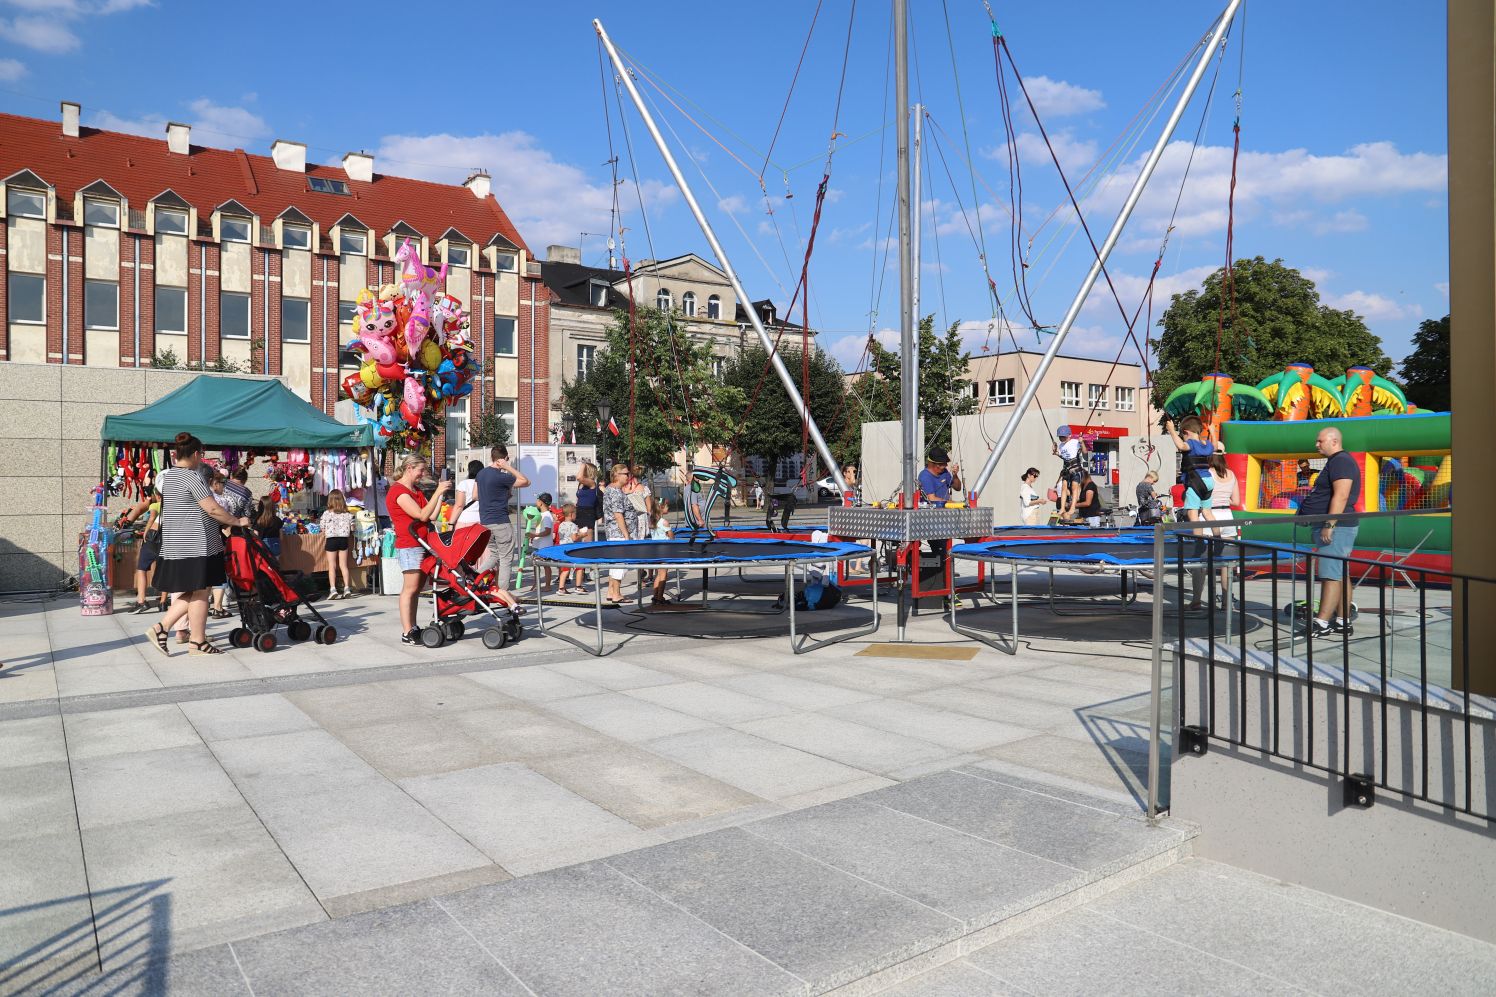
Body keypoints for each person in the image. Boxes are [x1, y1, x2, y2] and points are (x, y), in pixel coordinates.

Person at [144, 433, 250, 657]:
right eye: (201, 455)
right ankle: (197, 642)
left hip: (176, 544)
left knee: (193, 590)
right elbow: (211, 508)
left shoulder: (168, 477)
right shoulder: (192, 477)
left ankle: (163, 629)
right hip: (198, 544)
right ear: (195, 454)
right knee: (202, 591)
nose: (201, 459)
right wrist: (237, 521)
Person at [1298, 426, 1361, 638]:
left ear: (1333, 441)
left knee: (1330, 574)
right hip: (1335, 526)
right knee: (1340, 573)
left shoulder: (1341, 461)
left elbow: (1341, 495)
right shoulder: (1336, 462)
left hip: (1337, 527)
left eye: (1320, 441)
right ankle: (1342, 621)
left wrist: (1329, 524)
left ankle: (1322, 622)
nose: (1316, 445)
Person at [385, 454, 451, 644]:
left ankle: (412, 627)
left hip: (422, 544)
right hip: (410, 545)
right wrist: (437, 492)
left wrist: (441, 495)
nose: (422, 474)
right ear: (409, 469)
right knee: (410, 589)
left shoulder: (414, 490)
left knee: (416, 589)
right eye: (420, 470)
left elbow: (431, 516)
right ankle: (407, 631)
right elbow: (421, 515)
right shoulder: (399, 492)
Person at [474, 446, 530, 588]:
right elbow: (525, 481)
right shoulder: (502, 476)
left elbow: (475, 495)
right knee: (506, 558)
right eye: (507, 459)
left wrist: (497, 493)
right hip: (500, 522)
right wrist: (508, 467)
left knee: (494, 555)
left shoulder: (481, 474)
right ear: (503, 459)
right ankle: (503, 592)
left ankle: (473, 578)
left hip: (485, 521)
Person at [1202, 454, 1241, 605]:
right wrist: (1225, 498)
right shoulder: (1231, 474)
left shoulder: (1207, 474)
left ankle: (1205, 599)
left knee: (1205, 562)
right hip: (1227, 515)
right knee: (1227, 562)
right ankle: (1226, 600)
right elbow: (1236, 501)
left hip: (1209, 515)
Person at [601, 463, 633, 606]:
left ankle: (610, 591)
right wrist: (626, 534)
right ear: (616, 475)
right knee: (620, 564)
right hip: (618, 533)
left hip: (614, 531)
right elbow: (618, 514)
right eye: (625, 474)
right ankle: (617, 594)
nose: (628, 476)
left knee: (615, 564)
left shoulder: (612, 490)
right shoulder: (615, 491)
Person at [320, 489, 356, 599]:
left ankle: (333, 589)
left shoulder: (326, 514)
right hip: (343, 540)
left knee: (332, 566)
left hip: (331, 540)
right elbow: (353, 528)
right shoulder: (348, 514)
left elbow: (322, 528)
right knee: (343, 565)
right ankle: (346, 588)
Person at [1052, 427, 1086, 521]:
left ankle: (1072, 508)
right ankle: (1062, 508)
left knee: (1075, 488)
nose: (1061, 439)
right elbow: (1063, 456)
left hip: (1076, 469)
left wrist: (1082, 442)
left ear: (1069, 436)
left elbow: (1084, 452)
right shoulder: (1061, 445)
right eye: (1060, 437)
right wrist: (1056, 452)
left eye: (1063, 437)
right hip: (1066, 469)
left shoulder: (1075, 442)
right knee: (1063, 487)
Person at [555, 504, 589, 594]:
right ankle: (578, 586)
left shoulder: (561, 524)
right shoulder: (573, 525)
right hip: (572, 550)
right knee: (580, 567)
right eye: (575, 514)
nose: (576, 516)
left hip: (563, 549)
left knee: (565, 569)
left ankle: (561, 588)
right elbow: (574, 538)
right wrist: (582, 534)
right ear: (571, 514)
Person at [649, 496, 674, 605]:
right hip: (664, 550)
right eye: (667, 506)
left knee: (658, 574)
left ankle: (655, 596)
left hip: (655, 550)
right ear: (661, 507)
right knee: (663, 575)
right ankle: (660, 597)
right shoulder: (664, 522)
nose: (668, 508)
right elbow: (671, 536)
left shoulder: (652, 521)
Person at [448, 459, 485, 530]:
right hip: (481, 520)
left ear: (469, 470)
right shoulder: (485, 484)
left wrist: (451, 523)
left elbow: (459, 505)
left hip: (465, 520)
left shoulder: (464, 484)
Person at [529, 493, 556, 592]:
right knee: (535, 565)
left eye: (537, 500)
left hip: (544, 546)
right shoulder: (541, 515)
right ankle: (536, 584)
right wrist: (534, 537)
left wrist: (535, 535)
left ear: (541, 502)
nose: (536, 502)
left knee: (546, 565)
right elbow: (540, 529)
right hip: (538, 544)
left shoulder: (547, 516)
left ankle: (548, 585)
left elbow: (548, 531)